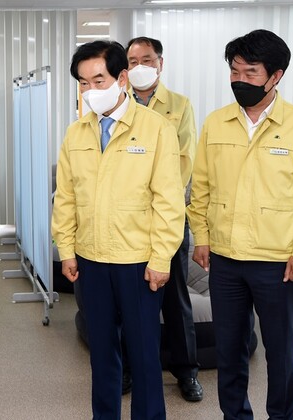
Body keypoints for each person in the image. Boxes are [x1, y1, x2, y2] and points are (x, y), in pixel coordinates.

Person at [187, 29, 293, 419]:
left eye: (250, 73)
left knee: (280, 353)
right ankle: (234, 415)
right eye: (234, 71)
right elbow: (200, 188)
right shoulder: (216, 123)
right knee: (229, 350)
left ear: (275, 76)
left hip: (278, 263)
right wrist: (201, 237)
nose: (240, 80)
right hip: (225, 260)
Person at [52, 40, 185, 419]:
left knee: (144, 356)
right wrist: (66, 250)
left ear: (122, 78)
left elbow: (169, 201)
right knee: (102, 355)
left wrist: (161, 259)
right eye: (83, 82)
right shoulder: (76, 133)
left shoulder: (156, 129)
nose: (91, 90)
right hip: (91, 260)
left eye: (99, 80)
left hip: (138, 263)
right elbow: (65, 198)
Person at [125, 36, 203, 402]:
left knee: (175, 297)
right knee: (128, 298)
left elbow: (185, 160)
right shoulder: (117, 103)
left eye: (147, 59)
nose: (140, 66)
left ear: (160, 63)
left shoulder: (179, 106)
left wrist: (157, 195)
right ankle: (128, 368)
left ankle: (186, 371)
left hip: (167, 216)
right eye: (132, 61)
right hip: (127, 219)